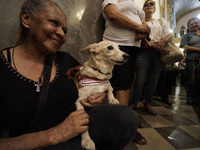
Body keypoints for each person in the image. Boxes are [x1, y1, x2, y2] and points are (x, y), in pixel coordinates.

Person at [0, 0, 139, 149]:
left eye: (64, 30)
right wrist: (55, 134)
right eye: (54, 23)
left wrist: (99, 95)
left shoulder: (65, 60)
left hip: (79, 129)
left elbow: (92, 80)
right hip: (35, 143)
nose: (61, 33)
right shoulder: (3, 67)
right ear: (27, 19)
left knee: (125, 117)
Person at [102, 0, 150, 145]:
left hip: (132, 46)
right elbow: (113, 15)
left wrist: (144, 30)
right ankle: (125, 127)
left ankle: (125, 120)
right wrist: (140, 28)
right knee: (121, 86)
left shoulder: (134, 3)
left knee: (127, 84)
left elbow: (145, 24)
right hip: (117, 45)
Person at [129, 0, 172, 115]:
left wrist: (162, 42)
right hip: (144, 52)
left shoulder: (161, 21)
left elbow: (169, 34)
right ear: (143, 9)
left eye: (151, 4)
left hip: (160, 53)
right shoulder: (140, 22)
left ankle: (148, 102)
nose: (148, 6)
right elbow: (138, 36)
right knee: (140, 79)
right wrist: (153, 45)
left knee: (153, 80)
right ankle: (134, 102)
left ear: (155, 9)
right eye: (146, 4)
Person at [180, 17, 200, 105]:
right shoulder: (187, 35)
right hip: (192, 59)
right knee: (192, 79)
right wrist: (198, 49)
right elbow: (184, 46)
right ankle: (190, 98)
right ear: (188, 27)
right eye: (191, 24)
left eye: (196, 23)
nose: (194, 25)